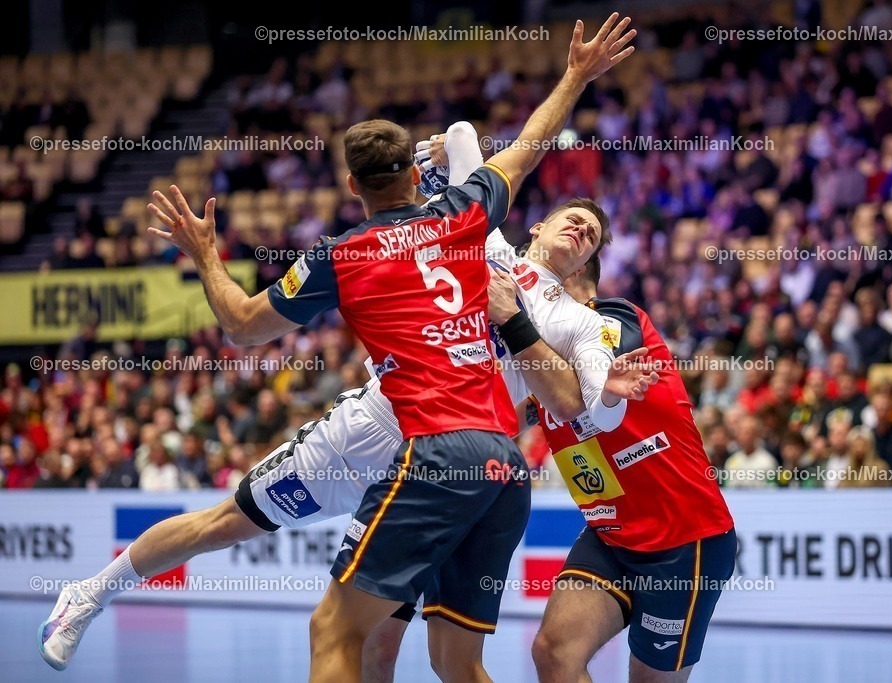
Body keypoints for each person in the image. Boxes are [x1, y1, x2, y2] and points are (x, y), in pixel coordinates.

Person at [39, 17, 640, 681]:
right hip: (375, 432)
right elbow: (509, 146)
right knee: (232, 525)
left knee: (395, 650)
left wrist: (207, 255)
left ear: (353, 187)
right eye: (573, 219)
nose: (581, 232)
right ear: (536, 222)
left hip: (457, 449)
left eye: (592, 235)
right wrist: (568, 79)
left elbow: (243, 324)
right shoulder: (475, 223)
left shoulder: (567, 311)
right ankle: (89, 592)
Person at [518, 255, 736, 683]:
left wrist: (512, 322)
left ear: (573, 272)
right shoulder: (541, 363)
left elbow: (576, 393)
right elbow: (505, 415)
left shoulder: (613, 319)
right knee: (553, 653)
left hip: (683, 538)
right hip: (612, 537)